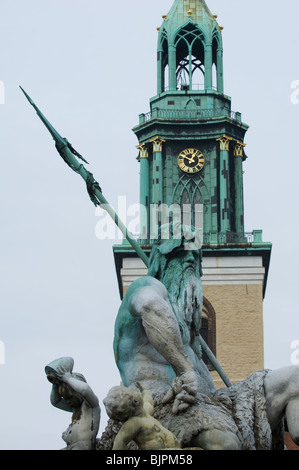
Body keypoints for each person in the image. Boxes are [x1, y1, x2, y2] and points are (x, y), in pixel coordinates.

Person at [113, 223, 215, 415]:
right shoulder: (145, 287)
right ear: (161, 262)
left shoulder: (190, 347)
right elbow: (150, 305)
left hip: (199, 411)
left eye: (195, 254)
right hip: (156, 409)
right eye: (181, 252)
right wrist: (185, 371)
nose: (191, 258)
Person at [104, 382, 181, 450]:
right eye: (133, 391)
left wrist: (144, 390)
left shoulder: (146, 412)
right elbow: (120, 440)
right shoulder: (134, 422)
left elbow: (149, 401)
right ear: (135, 401)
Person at [45, 357, 101, 450]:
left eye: (70, 397)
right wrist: (55, 382)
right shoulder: (75, 409)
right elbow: (56, 402)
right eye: (65, 398)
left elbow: (85, 390)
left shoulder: (90, 407)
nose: (67, 401)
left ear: (78, 393)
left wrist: (67, 379)